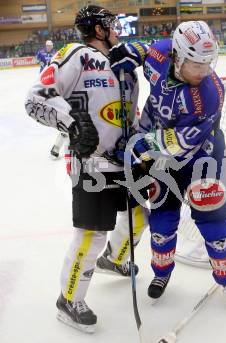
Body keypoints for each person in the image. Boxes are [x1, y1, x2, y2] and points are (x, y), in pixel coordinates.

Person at [24, 5, 149, 333]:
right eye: (112, 25)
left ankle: (115, 259)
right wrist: (73, 125)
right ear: (97, 29)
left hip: (124, 161)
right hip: (90, 162)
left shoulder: (123, 62)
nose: (118, 30)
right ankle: (69, 299)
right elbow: (36, 99)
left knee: (139, 217)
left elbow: (128, 114)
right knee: (92, 234)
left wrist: (138, 142)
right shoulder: (75, 55)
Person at [108, 20, 226, 306]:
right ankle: (161, 273)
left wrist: (137, 149)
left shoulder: (211, 93)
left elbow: (181, 141)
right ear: (178, 56)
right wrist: (130, 52)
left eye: (208, 63)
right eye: (197, 64)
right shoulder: (161, 55)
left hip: (202, 155)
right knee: (162, 219)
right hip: (161, 152)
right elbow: (145, 50)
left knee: (213, 218)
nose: (204, 71)